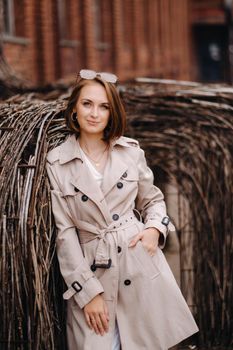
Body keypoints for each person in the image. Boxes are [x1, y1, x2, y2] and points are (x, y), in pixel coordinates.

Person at [46, 69, 198, 350]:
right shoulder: (57, 162)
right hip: (92, 269)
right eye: (87, 104)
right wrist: (87, 293)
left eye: (104, 106)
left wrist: (154, 229)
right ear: (74, 109)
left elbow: (153, 200)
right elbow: (64, 233)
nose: (94, 113)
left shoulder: (131, 152)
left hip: (137, 263)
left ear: (112, 112)